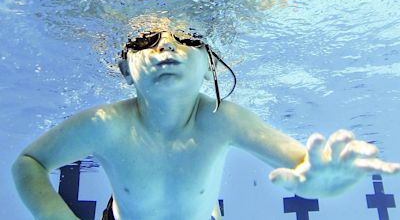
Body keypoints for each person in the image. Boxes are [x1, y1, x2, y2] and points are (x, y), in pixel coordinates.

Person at [12, 31, 400, 220]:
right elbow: (29, 161)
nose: (166, 46)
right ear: (125, 70)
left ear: (209, 63)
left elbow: (301, 164)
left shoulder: (221, 118)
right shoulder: (105, 124)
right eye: (145, 39)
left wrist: (317, 181)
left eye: (188, 37)